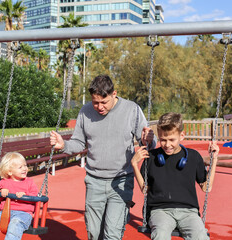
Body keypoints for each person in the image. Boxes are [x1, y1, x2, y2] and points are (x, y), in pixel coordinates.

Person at [50, 74, 157, 240]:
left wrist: (147, 140)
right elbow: (78, 143)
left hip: (121, 180)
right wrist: (63, 145)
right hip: (94, 180)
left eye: (104, 102)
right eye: (95, 102)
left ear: (114, 94)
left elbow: (148, 143)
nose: (99, 107)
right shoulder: (85, 111)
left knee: (112, 234)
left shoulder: (131, 110)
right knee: (93, 233)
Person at [131, 112, 219, 240]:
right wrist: (134, 164)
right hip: (160, 210)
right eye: (163, 140)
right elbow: (145, 190)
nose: (167, 145)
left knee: (201, 236)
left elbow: (206, 188)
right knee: (160, 234)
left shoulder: (193, 157)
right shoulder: (152, 157)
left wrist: (214, 159)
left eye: (172, 140)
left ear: (181, 135)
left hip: (188, 212)